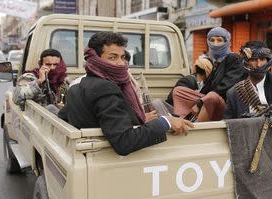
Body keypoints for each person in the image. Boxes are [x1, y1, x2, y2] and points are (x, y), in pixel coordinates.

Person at [58, 31, 193, 156]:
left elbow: (63, 116)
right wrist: (166, 122)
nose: (121, 63)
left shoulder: (77, 86)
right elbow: (124, 141)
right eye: (112, 57)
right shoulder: (105, 88)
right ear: (95, 59)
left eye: (122, 57)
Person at [224, 40, 272, 127]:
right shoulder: (233, 93)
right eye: (253, 59)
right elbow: (228, 124)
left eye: (262, 59)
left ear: (268, 61)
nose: (259, 64)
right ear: (246, 62)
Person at [13, 49, 68, 113]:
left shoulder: (64, 82)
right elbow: (17, 97)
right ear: (41, 64)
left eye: (55, 64)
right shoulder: (29, 77)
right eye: (48, 64)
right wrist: (40, 81)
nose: (52, 68)